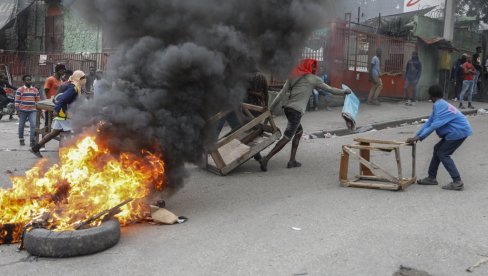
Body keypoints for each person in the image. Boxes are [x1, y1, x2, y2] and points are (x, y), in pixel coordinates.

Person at [258, 59, 350, 171]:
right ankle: (266, 159)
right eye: (314, 67)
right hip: (296, 111)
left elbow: (280, 94)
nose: (315, 69)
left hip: (288, 109)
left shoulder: (292, 77)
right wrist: (344, 92)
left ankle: (292, 160)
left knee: (299, 132)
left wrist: (271, 109)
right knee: (287, 137)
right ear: (310, 68)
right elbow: (330, 90)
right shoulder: (313, 79)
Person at [407, 85, 472, 191]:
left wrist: (419, 137)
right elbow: (429, 122)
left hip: (458, 132)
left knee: (443, 153)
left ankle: (457, 181)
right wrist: (417, 135)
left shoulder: (439, 105)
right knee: (437, 149)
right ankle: (431, 178)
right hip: (457, 131)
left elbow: (434, 125)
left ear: (431, 96)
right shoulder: (440, 104)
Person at [31, 70, 86, 158]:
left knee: (54, 132)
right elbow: (62, 99)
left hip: (62, 114)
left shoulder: (75, 86)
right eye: (83, 78)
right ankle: (69, 154)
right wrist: (57, 110)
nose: (84, 80)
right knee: (70, 133)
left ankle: (36, 148)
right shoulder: (74, 88)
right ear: (78, 78)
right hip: (65, 115)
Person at [15, 75, 40, 147]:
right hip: (22, 110)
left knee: (33, 125)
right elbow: (17, 100)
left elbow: (38, 100)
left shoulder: (35, 90)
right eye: (27, 80)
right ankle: (21, 139)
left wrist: (40, 111)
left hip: (32, 110)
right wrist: (17, 110)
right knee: (21, 125)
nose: (29, 81)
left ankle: (32, 141)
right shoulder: (20, 89)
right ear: (24, 81)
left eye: (30, 80)